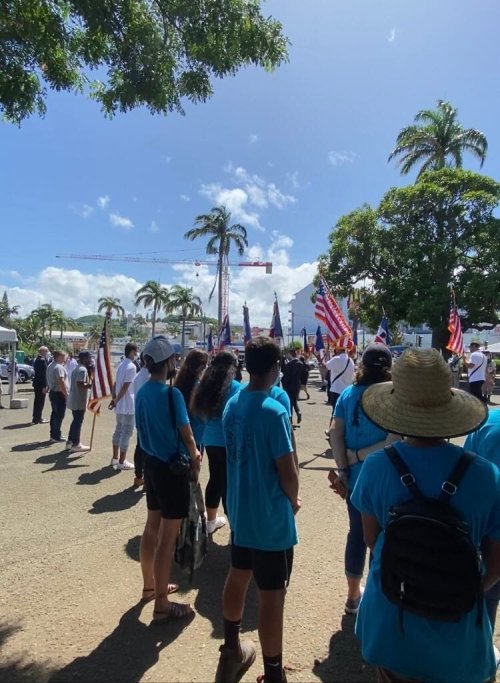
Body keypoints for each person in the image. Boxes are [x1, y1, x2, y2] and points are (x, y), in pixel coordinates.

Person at [351, 348, 498, 683]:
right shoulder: (486, 475)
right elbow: (495, 566)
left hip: (392, 624)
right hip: (458, 639)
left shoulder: (376, 467)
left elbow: (373, 541)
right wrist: (455, 588)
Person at [215, 337, 300, 683]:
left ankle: (231, 650)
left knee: (238, 574)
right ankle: (273, 673)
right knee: (271, 596)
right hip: (269, 518)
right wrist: (293, 500)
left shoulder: (232, 404)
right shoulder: (273, 411)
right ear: (276, 367)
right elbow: (288, 473)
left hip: (241, 511)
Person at [328, 343, 397, 615]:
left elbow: (335, 433)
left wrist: (345, 467)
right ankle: (376, 597)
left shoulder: (348, 394)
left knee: (356, 533)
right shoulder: (394, 395)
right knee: (382, 537)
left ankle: (353, 595)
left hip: (355, 480)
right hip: (387, 480)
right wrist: (359, 455)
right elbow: (392, 440)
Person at [136, 336, 201, 620]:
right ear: (168, 362)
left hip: (151, 465)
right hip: (172, 470)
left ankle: (150, 586)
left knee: (151, 527)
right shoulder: (171, 395)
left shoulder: (142, 392)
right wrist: (196, 457)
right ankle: (162, 604)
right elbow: (188, 435)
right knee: (167, 538)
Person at [191, 350, 241, 535]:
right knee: (230, 484)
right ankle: (235, 526)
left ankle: (211, 520)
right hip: (230, 440)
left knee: (215, 478)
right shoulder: (236, 387)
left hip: (209, 439)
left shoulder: (204, 385)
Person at [464, 408, 500, 631]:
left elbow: (465, 473)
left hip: (486, 530)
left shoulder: (487, 422)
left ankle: (482, 641)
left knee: (487, 593)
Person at [109, 342, 138, 471]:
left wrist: (114, 399)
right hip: (127, 404)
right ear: (131, 351)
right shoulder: (131, 366)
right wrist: (116, 400)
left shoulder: (121, 365)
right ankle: (122, 461)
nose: (136, 353)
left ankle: (115, 457)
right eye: (135, 351)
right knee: (126, 432)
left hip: (120, 404)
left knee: (118, 430)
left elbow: (116, 384)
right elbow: (126, 386)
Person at [174, 349, 209, 450]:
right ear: (200, 367)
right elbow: (203, 415)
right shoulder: (199, 387)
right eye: (205, 364)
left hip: (179, 436)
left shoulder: (179, 383)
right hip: (196, 437)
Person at [66, 350, 93, 453]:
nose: (90, 359)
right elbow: (80, 384)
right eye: (89, 357)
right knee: (78, 421)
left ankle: (70, 441)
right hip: (79, 399)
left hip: (75, 398)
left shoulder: (77, 368)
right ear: (84, 358)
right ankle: (76, 444)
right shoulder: (82, 369)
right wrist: (92, 385)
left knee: (75, 421)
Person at [324, 346, 355, 432]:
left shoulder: (336, 359)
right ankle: (345, 430)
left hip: (336, 389)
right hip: (347, 390)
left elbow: (326, 365)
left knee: (335, 411)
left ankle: (332, 431)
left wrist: (327, 355)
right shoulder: (350, 361)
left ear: (338, 349)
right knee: (346, 411)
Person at [132, 354, 149, 488]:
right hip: (148, 416)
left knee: (140, 447)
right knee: (148, 449)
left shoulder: (138, 375)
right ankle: (146, 478)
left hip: (139, 414)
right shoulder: (149, 376)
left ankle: (139, 476)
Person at [47, 350, 69, 443]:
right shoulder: (58, 367)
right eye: (64, 356)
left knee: (55, 414)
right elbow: (61, 381)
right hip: (59, 393)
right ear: (60, 357)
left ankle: (53, 435)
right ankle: (56, 436)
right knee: (59, 415)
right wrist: (66, 394)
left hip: (53, 392)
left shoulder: (51, 365)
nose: (65, 358)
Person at [281, 349, 303, 424]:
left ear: (291, 354)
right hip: (297, 385)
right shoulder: (300, 363)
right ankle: (298, 412)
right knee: (294, 400)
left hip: (289, 385)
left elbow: (287, 377)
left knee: (290, 402)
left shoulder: (289, 365)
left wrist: (284, 385)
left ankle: (290, 419)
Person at [32, 346, 49, 424]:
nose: (47, 353)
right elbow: (43, 375)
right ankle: (38, 418)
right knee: (40, 402)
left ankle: (36, 418)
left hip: (37, 384)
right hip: (41, 385)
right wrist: (44, 386)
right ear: (42, 351)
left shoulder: (37, 359)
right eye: (46, 351)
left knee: (37, 401)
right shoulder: (42, 360)